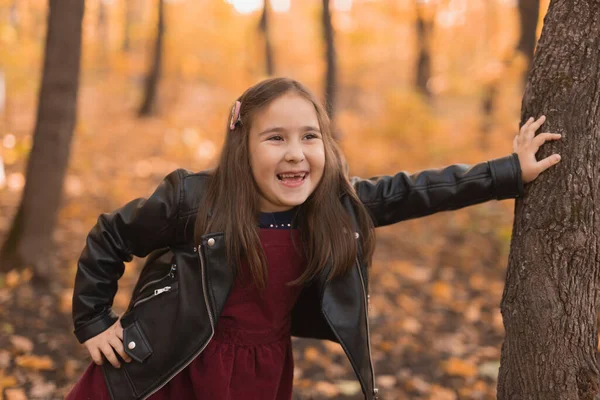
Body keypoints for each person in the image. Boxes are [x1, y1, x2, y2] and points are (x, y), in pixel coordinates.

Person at [66, 77, 562, 400]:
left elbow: (417, 191)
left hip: (258, 375)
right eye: (275, 138)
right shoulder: (195, 200)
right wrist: (93, 320)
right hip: (172, 366)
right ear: (243, 147)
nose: (296, 154)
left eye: (309, 136)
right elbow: (112, 234)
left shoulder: (331, 206)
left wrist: (507, 173)